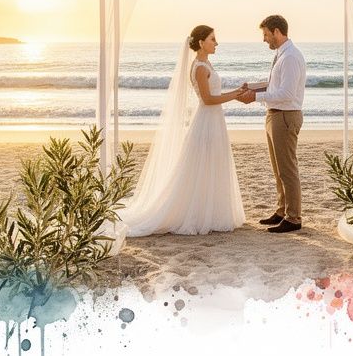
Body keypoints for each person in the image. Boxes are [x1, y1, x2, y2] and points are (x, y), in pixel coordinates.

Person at [117, 25, 247, 236]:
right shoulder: (200, 67)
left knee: (211, 163)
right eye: (213, 39)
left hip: (214, 119)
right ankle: (199, 213)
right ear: (202, 42)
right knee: (202, 165)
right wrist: (235, 95)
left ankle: (211, 211)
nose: (216, 43)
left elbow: (213, 94)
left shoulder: (205, 63)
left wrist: (236, 92)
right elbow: (208, 100)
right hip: (207, 119)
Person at [236, 15, 307, 234]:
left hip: (285, 116)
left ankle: (293, 218)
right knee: (278, 170)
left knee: (287, 169)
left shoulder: (291, 57)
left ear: (277, 32)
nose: (264, 39)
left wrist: (254, 98)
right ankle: (281, 210)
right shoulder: (281, 55)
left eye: (266, 34)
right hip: (274, 114)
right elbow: (276, 84)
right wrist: (255, 87)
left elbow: (286, 93)